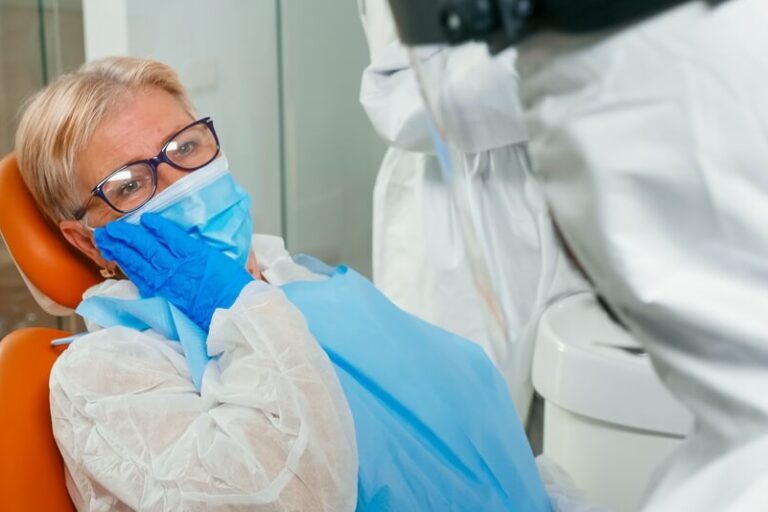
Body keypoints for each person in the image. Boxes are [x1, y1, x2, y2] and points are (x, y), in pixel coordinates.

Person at [14, 57, 554, 511]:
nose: (180, 184)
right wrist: (232, 304)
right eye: (130, 184)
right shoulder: (106, 377)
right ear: (87, 241)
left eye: (185, 148)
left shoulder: (297, 272)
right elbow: (289, 494)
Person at [357, 0, 585, 421]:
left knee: (586, 439)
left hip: (586, 188)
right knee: (461, 446)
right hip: (459, 210)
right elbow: (397, 97)